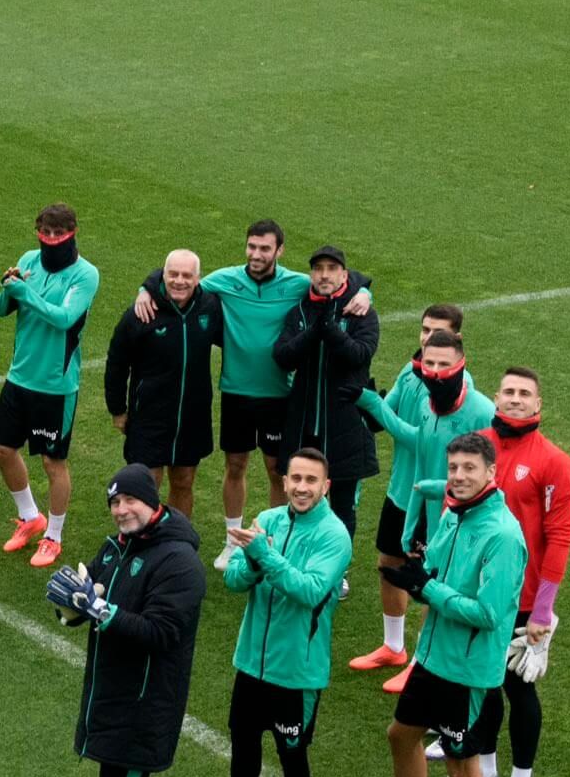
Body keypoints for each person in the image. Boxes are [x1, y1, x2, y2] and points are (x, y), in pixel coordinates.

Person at [131, 222, 371, 570]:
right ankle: (233, 542)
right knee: (235, 465)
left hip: (278, 395)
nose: (257, 254)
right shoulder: (225, 280)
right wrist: (145, 288)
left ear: (279, 251)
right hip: (236, 392)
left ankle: (272, 542)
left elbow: (341, 282)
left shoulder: (296, 284)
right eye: (252, 247)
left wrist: (365, 292)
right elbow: (179, 278)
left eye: (264, 248)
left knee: (277, 470)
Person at [346, 433, 526, 777]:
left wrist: (427, 588)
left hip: (467, 671)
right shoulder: (453, 513)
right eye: (454, 469)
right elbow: (435, 569)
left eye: (469, 468)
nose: (459, 477)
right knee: (400, 735)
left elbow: (489, 614)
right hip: (432, 658)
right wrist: (419, 571)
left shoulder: (503, 536)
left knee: (461, 763)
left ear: (491, 473)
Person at [45, 464, 204, 777]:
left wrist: (102, 612)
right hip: (113, 695)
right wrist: (74, 609)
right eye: (114, 503)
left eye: (129, 501)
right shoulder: (116, 547)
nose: (120, 510)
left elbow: (161, 632)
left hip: (143, 706)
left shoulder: (179, 562)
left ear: (151, 500)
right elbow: (90, 601)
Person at [183, 448, 350, 777]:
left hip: (297, 670)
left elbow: (310, 590)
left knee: (292, 755)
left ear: (325, 486)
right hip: (251, 662)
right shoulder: (269, 520)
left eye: (311, 480)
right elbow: (235, 579)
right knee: (243, 739)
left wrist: (265, 555)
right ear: (285, 479)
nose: (301, 487)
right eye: (295, 478)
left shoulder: (334, 535)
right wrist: (256, 558)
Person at [353, 327, 492, 697]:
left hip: (462, 523)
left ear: (461, 364)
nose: (434, 371)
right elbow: (419, 452)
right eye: (428, 362)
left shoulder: (480, 410)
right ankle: (413, 660)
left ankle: (428, 670)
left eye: (442, 364)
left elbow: (494, 476)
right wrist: (372, 404)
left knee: (443, 594)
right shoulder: (431, 407)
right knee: (417, 580)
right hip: (431, 514)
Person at [464, 367, 570, 777]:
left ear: (538, 404)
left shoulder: (553, 461)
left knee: (517, 689)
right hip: (474, 591)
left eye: (524, 393)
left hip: (523, 601)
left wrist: (543, 611)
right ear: (496, 397)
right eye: (507, 391)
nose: (514, 399)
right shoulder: (478, 446)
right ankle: (485, 771)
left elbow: (559, 535)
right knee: (480, 681)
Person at [348, 305, 463, 683]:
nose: (428, 337)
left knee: (430, 583)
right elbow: (387, 413)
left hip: (434, 504)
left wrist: (374, 406)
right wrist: (371, 409)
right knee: (389, 564)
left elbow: (419, 440)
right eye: (425, 329)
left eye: (438, 331)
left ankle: (420, 665)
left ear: (456, 341)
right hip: (401, 491)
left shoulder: (457, 390)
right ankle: (394, 647)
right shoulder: (410, 371)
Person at [0, 203, 101, 568]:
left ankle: (53, 536)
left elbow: (65, 318)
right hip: (19, 376)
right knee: (2, 450)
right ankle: (30, 517)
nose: (51, 240)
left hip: (56, 385)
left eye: (58, 234)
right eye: (46, 233)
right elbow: (0, 308)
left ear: (72, 232)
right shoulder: (28, 259)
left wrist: (25, 294)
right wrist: (9, 288)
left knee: (53, 462)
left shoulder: (85, 275)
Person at [270, 246, 378, 544]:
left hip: (345, 425)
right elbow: (282, 357)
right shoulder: (300, 312)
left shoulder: (361, 312)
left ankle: (337, 569)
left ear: (344, 274)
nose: (324, 274)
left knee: (343, 506)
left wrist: (329, 330)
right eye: (318, 268)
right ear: (311, 275)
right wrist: (313, 332)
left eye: (332, 268)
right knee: (301, 498)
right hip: (303, 425)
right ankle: (295, 556)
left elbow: (360, 355)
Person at [104, 250, 222, 520]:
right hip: (149, 417)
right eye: (173, 274)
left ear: (198, 278)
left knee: (183, 482)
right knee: (145, 486)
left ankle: (177, 542)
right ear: (163, 275)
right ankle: (141, 548)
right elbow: (116, 363)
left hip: (192, 416)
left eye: (187, 275)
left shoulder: (210, 307)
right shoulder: (141, 313)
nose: (179, 281)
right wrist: (117, 409)